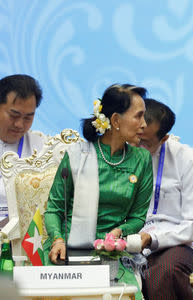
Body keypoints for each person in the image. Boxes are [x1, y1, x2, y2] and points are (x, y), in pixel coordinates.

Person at [44, 84, 153, 298]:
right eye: (138, 116)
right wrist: (58, 240)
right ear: (115, 120)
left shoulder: (141, 160)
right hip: (70, 248)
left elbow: (138, 217)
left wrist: (118, 233)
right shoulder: (78, 156)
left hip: (112, 252)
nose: (144, 124)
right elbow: (54, 209)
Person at [138, 98, 193, 300]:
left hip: (172, 244)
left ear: (164, 138)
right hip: (125, 241)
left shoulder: (187, 160)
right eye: (137, 139)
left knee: (163, 273)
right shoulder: (120, 153)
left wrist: (153, 239)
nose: (138, 147)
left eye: (146, 143)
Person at [0, 74, 45, 229]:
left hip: (25, 234)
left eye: (28, 118)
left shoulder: (43, 148)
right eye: (14, 115)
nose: (20, 125)